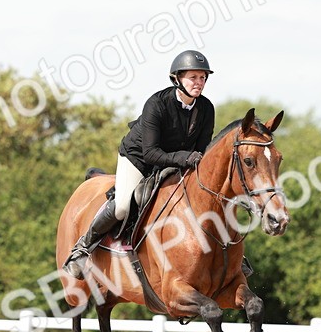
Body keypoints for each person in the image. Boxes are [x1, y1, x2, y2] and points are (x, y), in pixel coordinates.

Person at [62, 49, 216, 279]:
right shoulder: (157, 104)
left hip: (174, 161)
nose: (199, 82)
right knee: (124, 205)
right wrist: (185, 158)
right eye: (193, 77)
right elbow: (152, 153)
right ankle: (82, 247)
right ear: (177, 78)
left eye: (203, 77)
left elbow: (201, 149)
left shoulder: (206, 108)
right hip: (139, 157)